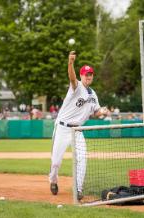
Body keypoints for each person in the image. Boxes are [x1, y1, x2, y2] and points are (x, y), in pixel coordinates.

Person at [49, 51, 109, 201]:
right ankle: (53, 180)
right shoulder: (76, 87)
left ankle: (79, 188)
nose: (88, 77)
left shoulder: (93, 94)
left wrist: (102, 111)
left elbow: (94, 113)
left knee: (82, 157)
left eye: (90, 75)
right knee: (56, 162)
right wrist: (70, 63)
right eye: (86, 75)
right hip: (63, 128)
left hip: (77, 130)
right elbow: (71, 77)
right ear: (81, 76)